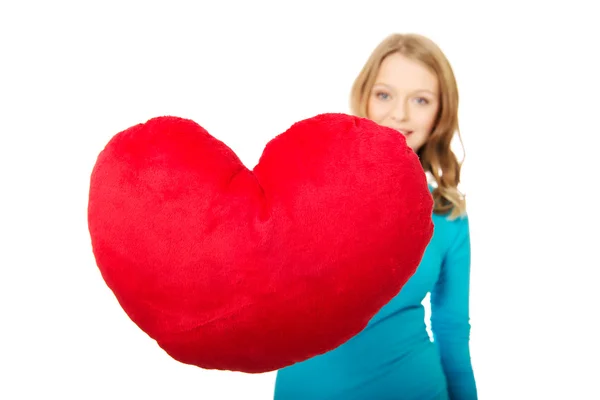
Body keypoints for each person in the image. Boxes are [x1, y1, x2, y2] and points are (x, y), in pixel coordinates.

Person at [273, 33, 478, 399]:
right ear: (364, 97)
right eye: (385, 94)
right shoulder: (311, 185)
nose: (399, 114)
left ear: (439, 113)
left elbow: (452, 330)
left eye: (420, 100)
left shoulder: (448, 215)